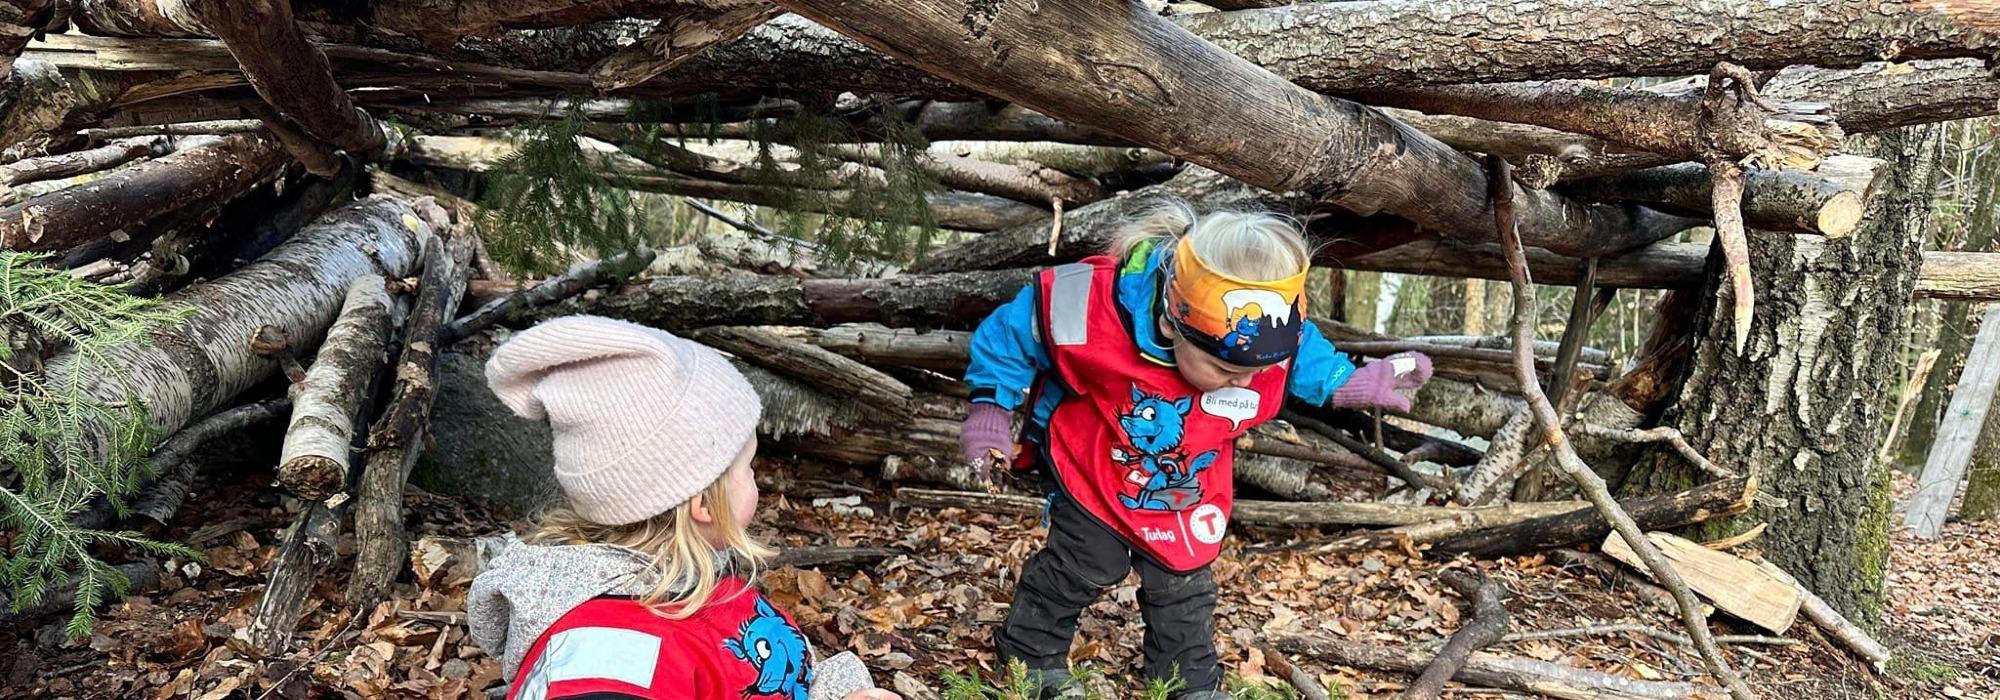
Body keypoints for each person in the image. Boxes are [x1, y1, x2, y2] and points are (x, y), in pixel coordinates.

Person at [960, 200, 1432, 699]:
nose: (1248, 381)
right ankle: (1030, 655)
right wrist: (991, 410)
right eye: (1228, 371)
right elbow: (1011, 335)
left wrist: (1353, 382)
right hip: (1094, 462)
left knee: (1183, 581)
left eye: (1259, 370)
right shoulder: (1088, 306)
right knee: (1085, 562)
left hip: (1184, 485)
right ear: (1171, 324)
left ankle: (1187, 684)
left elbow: (1305, 357)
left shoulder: (1264, 331)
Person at [468, 316, 899, 700]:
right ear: (705, 505)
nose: (758, 480)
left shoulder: (697, 573)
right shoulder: (607, 660)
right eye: (748, 468)